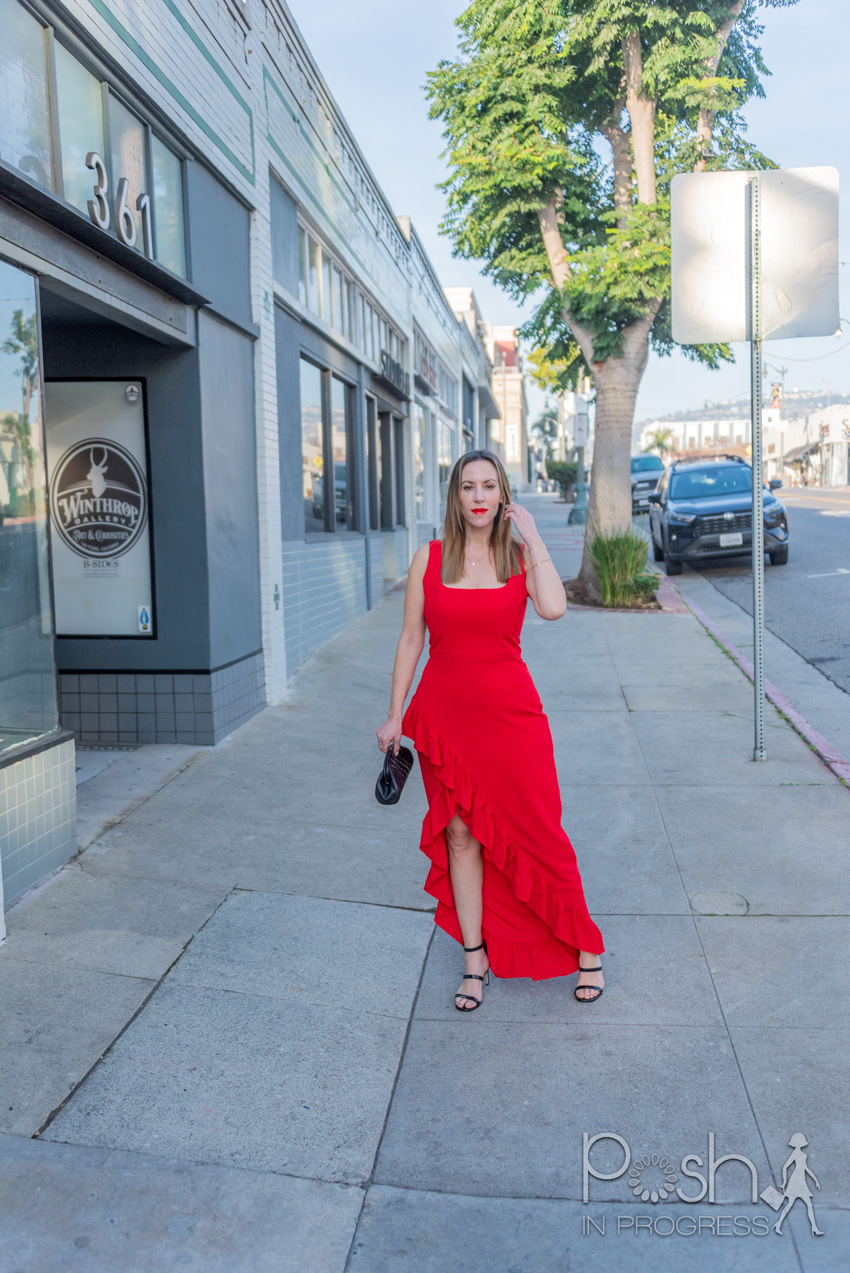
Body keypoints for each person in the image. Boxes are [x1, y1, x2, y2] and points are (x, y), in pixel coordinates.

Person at [375, 450, 605, 1011]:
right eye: (468, 487)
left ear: (502, 495)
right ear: (455, 496)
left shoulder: (519, 557)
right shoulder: (429, 559)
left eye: (489, 487)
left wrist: (532, 536)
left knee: (539, 830)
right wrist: (394, 713)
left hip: (513, 721)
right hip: (444, 721)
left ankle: (586, 947)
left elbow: (553, 609)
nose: (478, 497)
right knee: (459, 835)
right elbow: (411, 640)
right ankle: (474, 961)